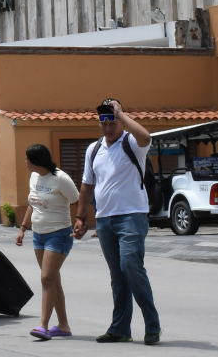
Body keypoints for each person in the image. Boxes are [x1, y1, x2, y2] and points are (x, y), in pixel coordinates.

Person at [74, 99, 161, 345]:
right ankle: (120, 328)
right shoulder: (94, 150)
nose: (108, 125)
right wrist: (81, 218)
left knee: (131, 265)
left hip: (132, 217)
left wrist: (121, 113)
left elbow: (145, 136)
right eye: (103, 120)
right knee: (118, 275)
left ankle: (152, 324)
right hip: (104, 220)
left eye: (112, 120)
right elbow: (87, 186)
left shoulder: (132, 143)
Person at [16, 144, 80, 341]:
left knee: (46, 279)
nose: (25, 162)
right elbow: (32, 203)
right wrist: (23, 228)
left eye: (27, 158)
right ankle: (63, 325)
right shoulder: (34, 177)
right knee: (52, 280)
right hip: (38, 234)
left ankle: (43, 325)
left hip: (59, 234)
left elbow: (78, 199)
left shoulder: (60, 178)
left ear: (36, 161)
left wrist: (80, 222)